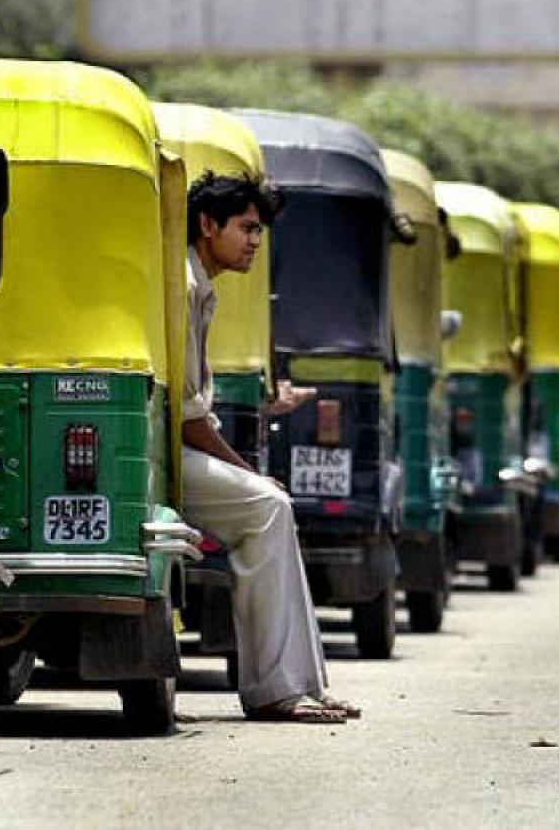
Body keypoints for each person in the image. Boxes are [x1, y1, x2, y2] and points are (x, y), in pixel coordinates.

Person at [181, 171, 358, 723]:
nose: (255, 242)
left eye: (259, 231)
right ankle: (275, 689)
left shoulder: (198, 284)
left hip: (174, 448)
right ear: (207, 226)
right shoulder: (185, 284)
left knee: (273, 510)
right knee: (268, 506)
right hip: (161, 456)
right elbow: (186, 420)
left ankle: (303, 682)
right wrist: (247, 473)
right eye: (247, 228)